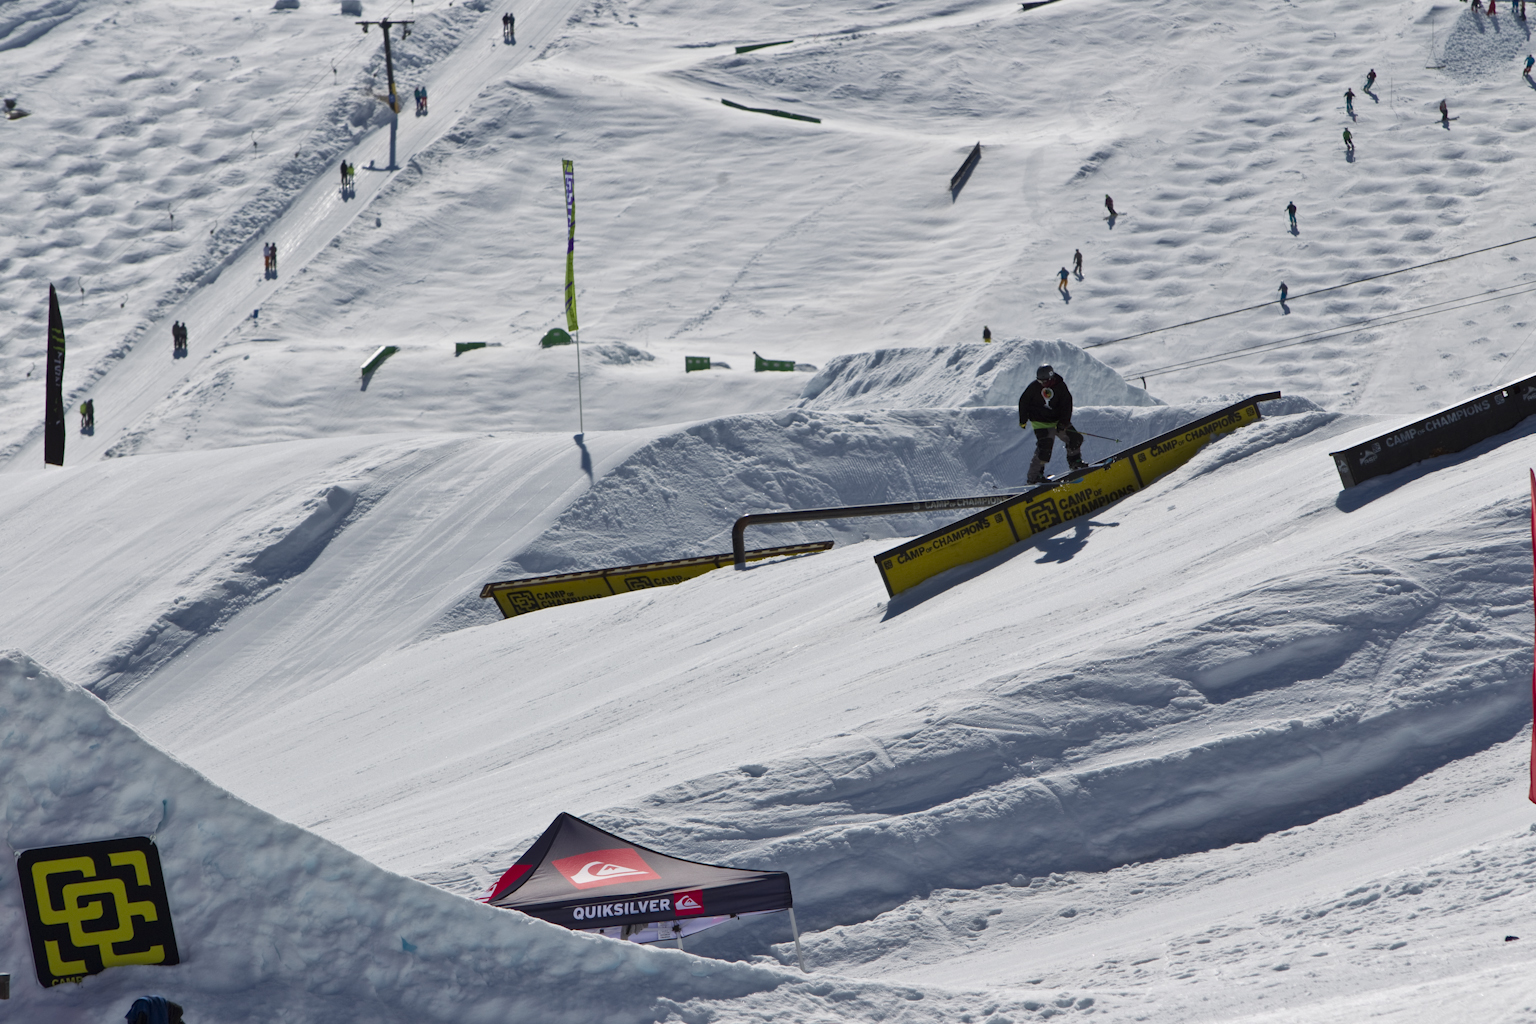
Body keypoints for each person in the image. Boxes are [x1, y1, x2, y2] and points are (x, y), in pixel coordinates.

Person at [1019, 365, 1085, 484]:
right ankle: (1034, 477)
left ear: (1051, 378)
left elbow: (1067, 405)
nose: (1042, 384)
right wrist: (1023, 420)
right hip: (1040, 422)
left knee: (1075, 438)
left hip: (1057, 421)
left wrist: (1063, 423)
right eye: (1040, 381)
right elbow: (1023, 401)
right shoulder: (1034, 387)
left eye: (1044, 381)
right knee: (1045, 447)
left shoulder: (1060, 386)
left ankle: (1075, 463)